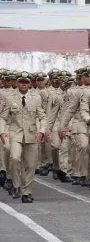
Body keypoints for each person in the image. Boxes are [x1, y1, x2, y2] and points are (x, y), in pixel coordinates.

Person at [1, 72, 45, 203]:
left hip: (32, 135)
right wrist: (2, 131)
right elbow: (3, 117)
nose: (23, 84)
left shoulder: (36, 98)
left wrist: (42, 131)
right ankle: (16, 185)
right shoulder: (10, 98)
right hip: (15, 133)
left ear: (29, 83)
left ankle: (27, 191)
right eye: (21, 82)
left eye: (26, 82)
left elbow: (42, 117)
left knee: (31, 165)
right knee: (14, 158)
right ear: (17, 83)